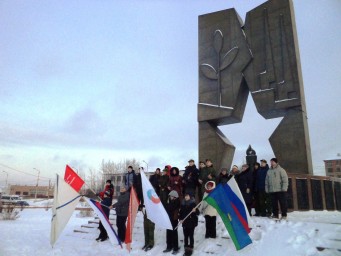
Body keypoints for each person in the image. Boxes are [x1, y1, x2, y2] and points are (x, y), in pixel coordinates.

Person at [179, 191, 199, 256]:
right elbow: (181, 213)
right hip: (185, 223)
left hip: (191, 222)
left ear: (190, 197)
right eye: (185, 196)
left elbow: (197, 213)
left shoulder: (193, 204)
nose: (186, 197)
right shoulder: (182, 204)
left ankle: (191, 247)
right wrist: (180, 219)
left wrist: (195, 211)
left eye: (187, 196)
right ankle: (186, 247)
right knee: (185, 236)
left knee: (191, 235)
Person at [163, 190, 180, 254]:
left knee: (174, 233)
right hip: (168, 219)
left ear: (175, 197)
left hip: (174, 220)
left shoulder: (177, 202)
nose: (170, 197)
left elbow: (173, 208)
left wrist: (169, 204)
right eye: (170, 196)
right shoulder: (168, 201)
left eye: (172, 196)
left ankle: (175, 248)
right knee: (168, 233)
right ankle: (169, 246)